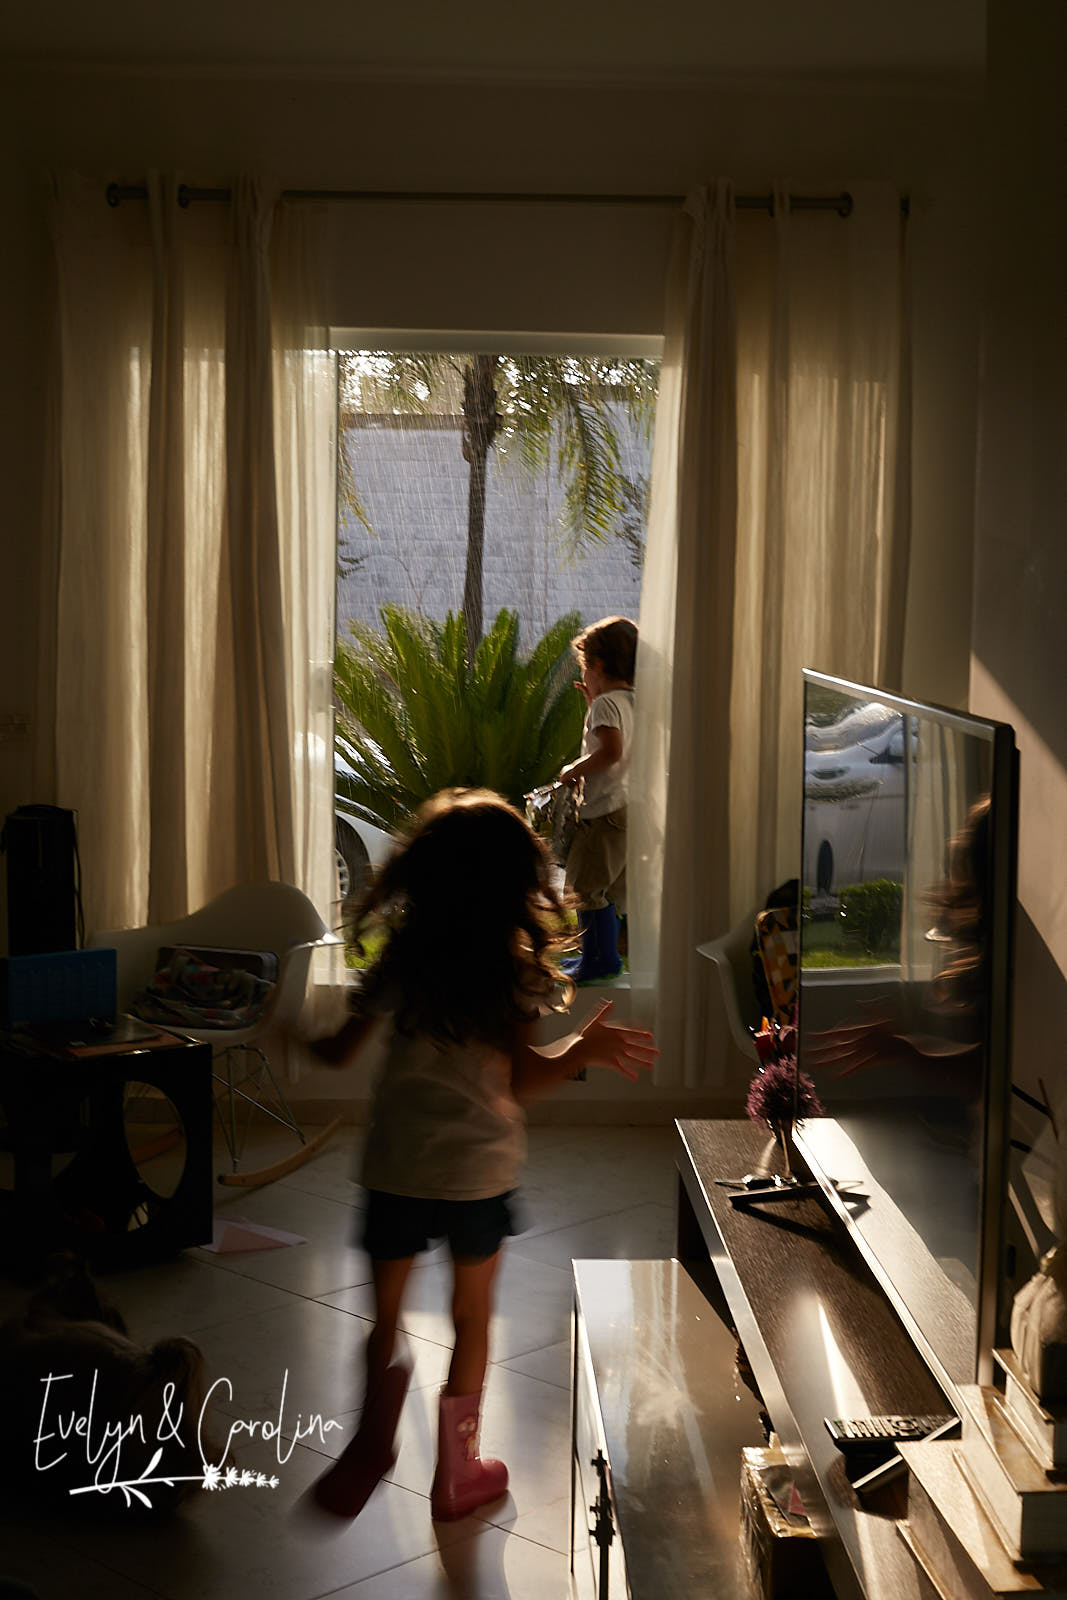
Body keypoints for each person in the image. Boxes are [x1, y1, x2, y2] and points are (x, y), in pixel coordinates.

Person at [306, 788, 657, 1524]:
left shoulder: (403, 959)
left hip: (397, 1164)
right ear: (512, 884)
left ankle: (373, 1435)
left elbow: (338, 1053)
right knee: (471, 1320)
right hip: (476, 1175)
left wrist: (288, 1031)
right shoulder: (513, 971)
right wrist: (581, 1050)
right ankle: (457, 1473)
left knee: (386, 1319)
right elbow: (522, 1081)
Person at [557, 615, 637, 982]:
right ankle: (605, 956)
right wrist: (595, 702)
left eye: (585, 668)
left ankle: (599, 961)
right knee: (610, 889)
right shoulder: (633, 701)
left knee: (585, 887)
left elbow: (610, 751)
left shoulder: (606, 707)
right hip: (628, 809)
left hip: (602, 812)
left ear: (598, 666)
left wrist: (573, 770)